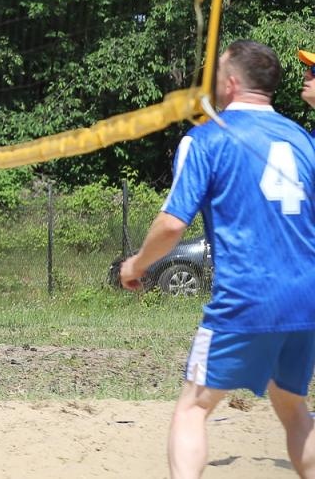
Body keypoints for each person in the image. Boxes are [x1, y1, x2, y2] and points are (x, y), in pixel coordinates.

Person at [121, 40, 315, 479]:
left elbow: (172, 224)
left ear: (230, 83)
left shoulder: (208, 138)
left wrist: (135, 266)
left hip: (247, 295)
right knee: (293, 408)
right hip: (306, 296)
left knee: (193, 407)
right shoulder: (303, 140)